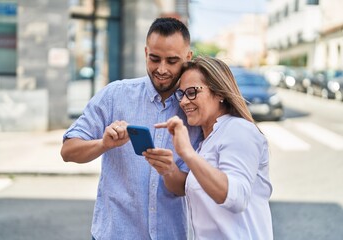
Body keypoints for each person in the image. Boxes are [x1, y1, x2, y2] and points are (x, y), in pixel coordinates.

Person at [60, 17, 202, 240]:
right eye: (154, 59)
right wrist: (103, 144)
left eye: (172, 61)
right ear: (146, 53)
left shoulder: (194, 109)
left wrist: (169, 170)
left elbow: (191, 188)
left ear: (188, 57)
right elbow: (68, 151)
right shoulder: (115, 95)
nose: (162, 69)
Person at [146, 56, 273, 239]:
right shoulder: (206, 142)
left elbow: (236, 198)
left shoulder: (239, 130)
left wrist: (187, 153)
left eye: (192, 92)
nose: (183, 102)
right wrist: (168, 168)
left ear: (219, 93)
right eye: (181, 94)